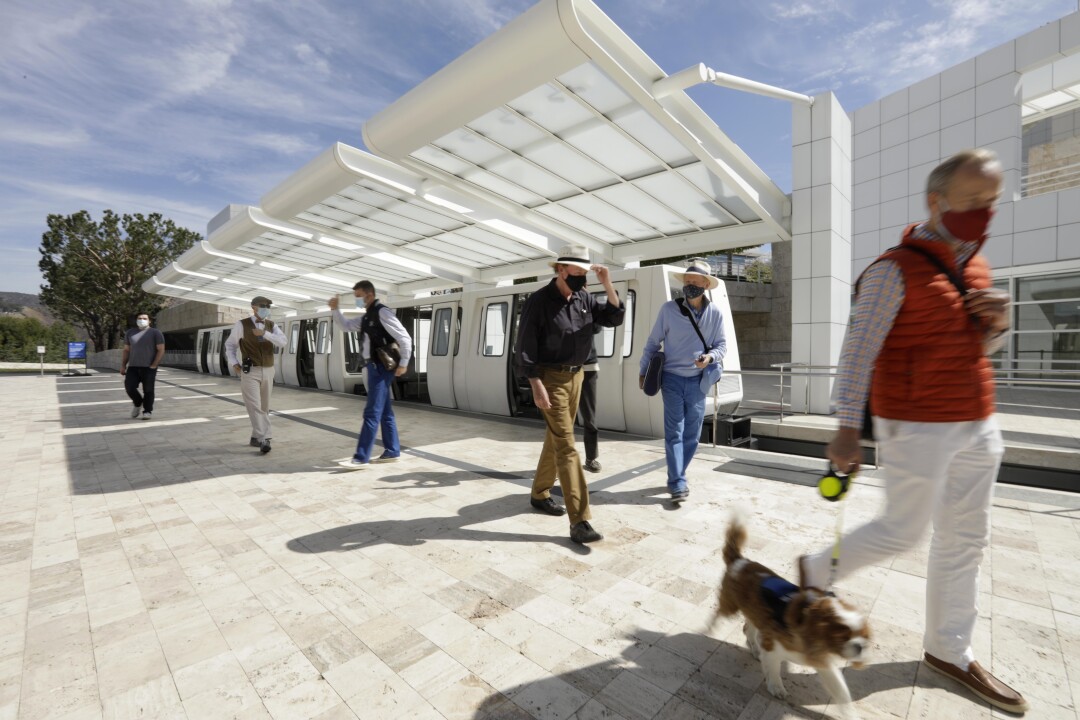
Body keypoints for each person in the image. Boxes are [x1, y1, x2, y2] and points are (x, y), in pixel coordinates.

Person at [797, 149, 1026, 713]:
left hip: (978, 419)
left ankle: (949, 649)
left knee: (966, 540)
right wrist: (847, 430)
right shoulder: (891, 270)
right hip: (916, 423)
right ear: (936, 200)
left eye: (991, 202)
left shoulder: (978, 267)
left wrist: (997, 323)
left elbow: (980, 348)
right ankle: (813, 570)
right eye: (973, 200)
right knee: (903, 530)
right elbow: (857, 354)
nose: (984, 213)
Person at [514, 244, 624, 544]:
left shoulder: (584, 297)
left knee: (556, 438)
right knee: (567, 445)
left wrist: (607, 284)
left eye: (584, 273)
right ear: (561, 270)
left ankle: (539, 494)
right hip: (550, 379)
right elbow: (524, 346)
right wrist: (535, 383)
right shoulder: (539, 301)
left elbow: (614, 317)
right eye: (576, 272)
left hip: (577, 376)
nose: (581, 278)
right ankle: (580, 520)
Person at [638, 258, 726, 503]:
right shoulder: (668, 310)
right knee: (674, 432)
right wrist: (643, 371)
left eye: (695, 282)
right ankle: (677, 482)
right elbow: (653, 343)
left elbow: (722, 346)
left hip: (700, 382)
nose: (689, 286)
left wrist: (709, 357)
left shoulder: (715, 314)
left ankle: (677, 473)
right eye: (687, 281)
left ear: (705, 285)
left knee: (692, 435)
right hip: (672, 380)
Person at [329, 280, 412, 468]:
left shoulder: (382, 312)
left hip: (380, 367)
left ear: (369, 294)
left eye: (358, 296)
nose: (357, 299)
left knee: (372, 412)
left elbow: (404, 337)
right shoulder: (368, 316)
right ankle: (392, 450)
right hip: (372, 367)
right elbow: (347, 326)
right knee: (384, 412)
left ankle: (361, 457)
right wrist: (335, 310)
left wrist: (404, 363)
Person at [224, 296, 287, 454]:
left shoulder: (271, 325)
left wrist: (265, 334)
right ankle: (264, 438)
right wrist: (234, 363)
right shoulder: (241, 324)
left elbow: (283, 342)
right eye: (263, 305)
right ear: (254, 307)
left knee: (264, 406)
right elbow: (230, 345)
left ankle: (255, 437)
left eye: (268, 306)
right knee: (254, 405)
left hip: (268, 370)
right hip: (250, 370)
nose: (266, 308)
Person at [121, 312, 165, 420]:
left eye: (144, 318)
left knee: (148, 390)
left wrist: (154, 365)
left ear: (149, 321)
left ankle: (147, 411)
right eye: (139, 318)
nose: (142, 320)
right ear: (136, 320)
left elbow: (161, 350)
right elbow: (126, 350)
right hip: (133, 366)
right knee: (129, 387)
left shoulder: (155, 333)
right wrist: (123, 365)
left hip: (149, 367)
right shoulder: (130, 333)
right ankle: (138, 402)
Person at [578, 328, 601, 473]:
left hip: (589, 367)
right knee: (562, 420)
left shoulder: (588, 305)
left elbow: (597, 327)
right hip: (563, 367)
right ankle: (557, 462)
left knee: (590, 417)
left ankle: (591, 458)